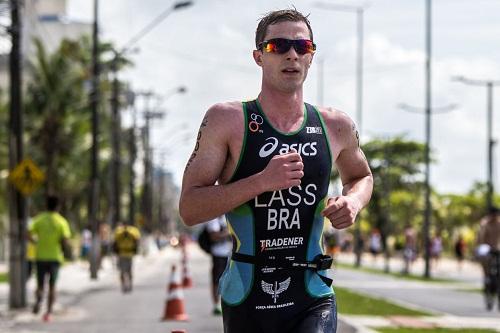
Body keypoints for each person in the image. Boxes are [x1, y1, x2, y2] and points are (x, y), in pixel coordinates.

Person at [179, 8, 373, 333]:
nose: (292, 55)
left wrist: (353, 202)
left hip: (312, 291)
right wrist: (261, 182)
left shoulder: (335, 126)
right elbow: (190, 208)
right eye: (278, 46)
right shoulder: (226, 121)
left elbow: (361, 177)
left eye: (302, 47)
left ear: (311, 56)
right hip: (248, 294)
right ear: (258, 56)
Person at [28, 195, 71, 321]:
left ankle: (39, 299)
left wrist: (35, 242)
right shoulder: (61, 221)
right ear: (58, 206)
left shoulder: (39, 219)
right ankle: (48, 313)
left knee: (40, 284)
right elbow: (65, 239)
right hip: (55, 258)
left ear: (46, 205)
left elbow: (28, 233)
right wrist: (63, 247)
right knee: (52, 286)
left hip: (40, 256)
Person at [205, 216, 232, 315]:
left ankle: (226, 303)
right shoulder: (213, 220)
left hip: (229, 254)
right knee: (216, 279)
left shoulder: (226, 218)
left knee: (229, 280)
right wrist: (228, 233)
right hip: (218, 254)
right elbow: (214, 236)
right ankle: (216, 304)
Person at [476, 207, 500, 310]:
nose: (494, 217)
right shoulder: (485, 224)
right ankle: (487, 279)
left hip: (498, 250)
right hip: (487, 250)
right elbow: (481, 238)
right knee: (486, 267)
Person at [112, 223, 141, 293]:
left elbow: (114, 242)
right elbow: (137, 240)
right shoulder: (133, 231)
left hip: (122, 254)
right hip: (128, 254)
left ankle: (125, 285)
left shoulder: (118, 232)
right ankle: (128, 284)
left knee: (123, 271)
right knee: (127, 271)